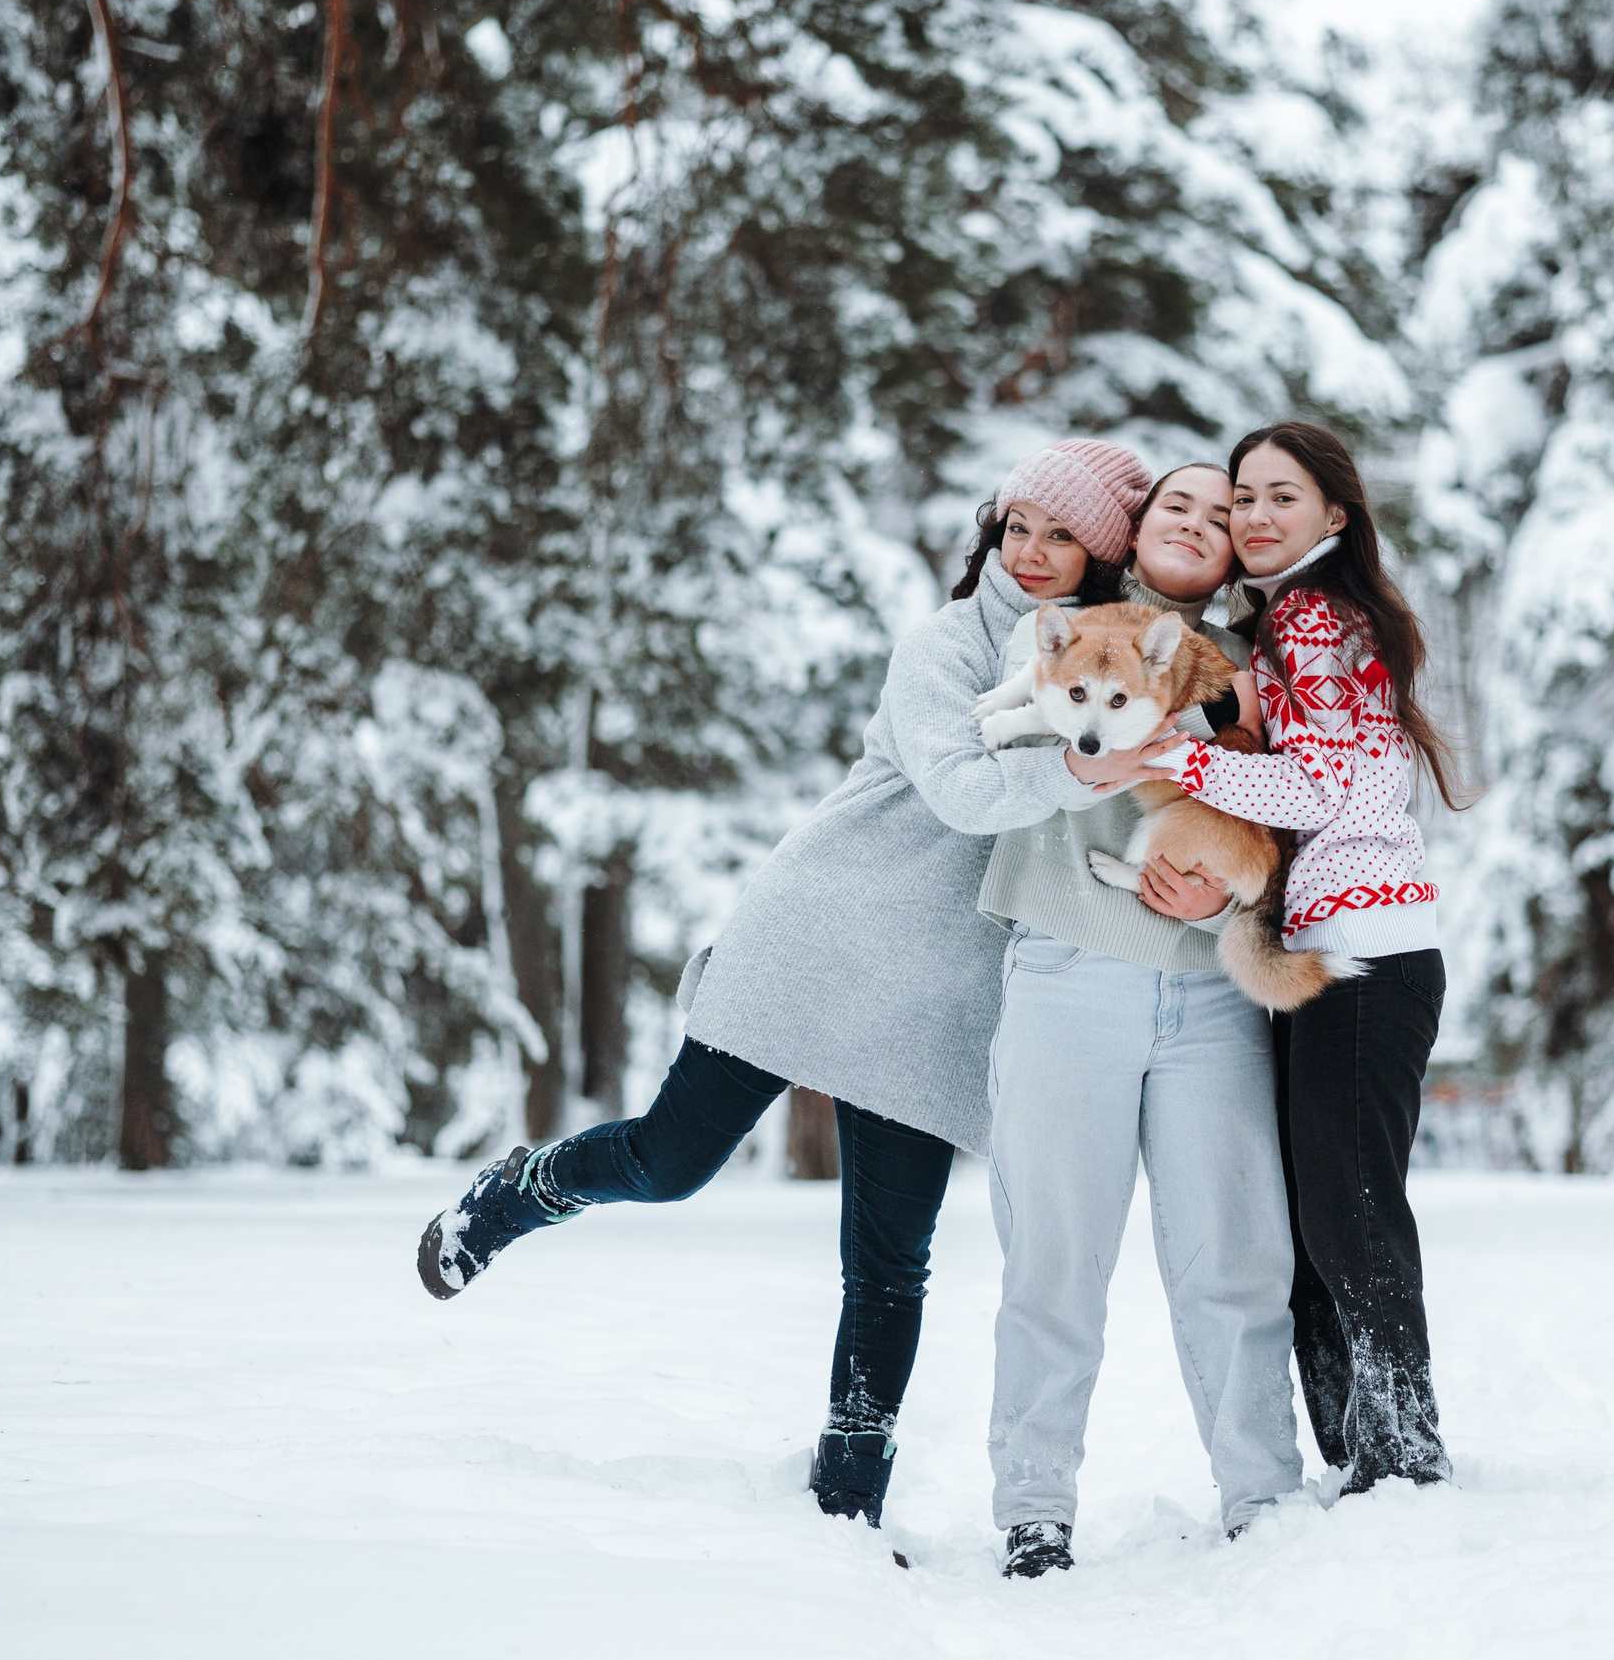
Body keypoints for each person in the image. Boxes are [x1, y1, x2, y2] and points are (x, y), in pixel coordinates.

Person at [413, 439, 1168, 1531]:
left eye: (1064, 535)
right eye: (1018, 526)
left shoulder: (1111, 656)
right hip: (821, 932)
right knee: (668, 1164)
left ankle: (845, 1501)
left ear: (1101, 555)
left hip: (939, 992)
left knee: (888, 1261)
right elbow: (961, 791)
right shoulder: (945, 646)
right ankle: (519, 1190)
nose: (1035, 552)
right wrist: (1094, 761)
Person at [972, 464, 1301, 1580]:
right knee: (1054, 1258)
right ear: (1134, 526)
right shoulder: (1057, 632)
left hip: (1211, 989)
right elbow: (987, 766)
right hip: (1070, 973)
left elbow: (1306, 806)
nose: (1202, 526)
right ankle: (1033, 1508)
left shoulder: (1252, 664)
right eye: (1178, 506)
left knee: (1235, 1255)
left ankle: (1263, 1494)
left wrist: (1231, 887)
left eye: (1224, 515)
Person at [1137, 421, 1464, 1495]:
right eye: (1243, 497)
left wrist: (1174, 758)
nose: (1256, 516)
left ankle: (1402, 1453)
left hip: (1363, 959)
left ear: (1335, 514)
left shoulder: (1318, 614)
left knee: (1348, 1209)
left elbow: (1322, 789)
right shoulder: (1288, 623)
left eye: (1284, 495)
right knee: (1325, 1209)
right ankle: (1360, 1452)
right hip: (1331, 951)